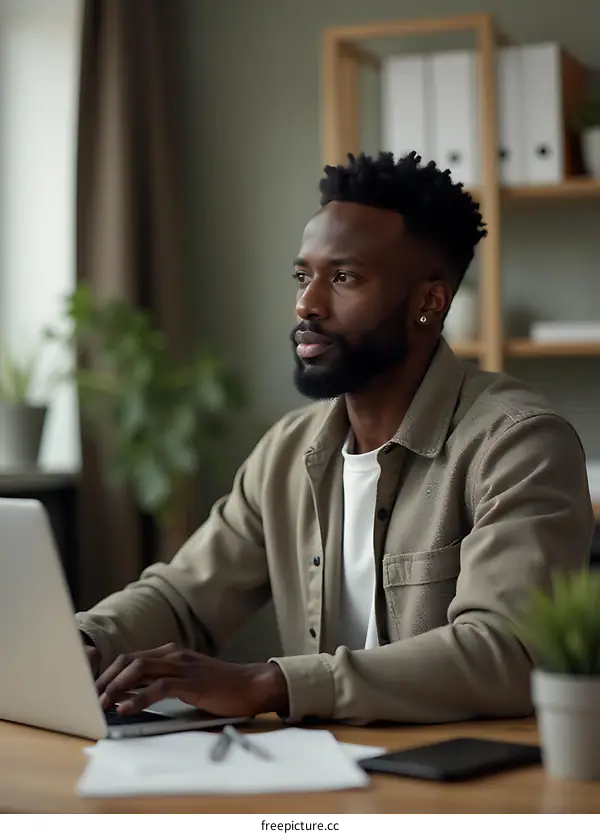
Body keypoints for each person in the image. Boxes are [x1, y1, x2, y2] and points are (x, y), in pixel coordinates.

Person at [79, 151, 594, 726]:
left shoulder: (516, 445)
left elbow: (507, 652)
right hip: (320, 773)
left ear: (430, 301)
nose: (307, 304)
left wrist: (269, 684)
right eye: (304, 276)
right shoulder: (287, 452)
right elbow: (183, 598)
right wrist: (82, 643)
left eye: (344, 278)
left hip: (453, 786)